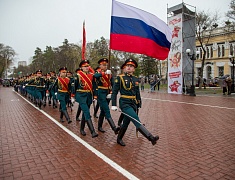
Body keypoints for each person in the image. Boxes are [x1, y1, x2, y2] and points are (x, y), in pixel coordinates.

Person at [111, 58, 159, 146]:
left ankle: (119, 139)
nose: (129, 67)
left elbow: (137, 92)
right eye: (127, 66)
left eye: (131, 66)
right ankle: (151, 138)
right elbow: (114, 92)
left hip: (133, 103)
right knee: (135, 119)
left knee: (126, 122)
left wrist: (139, 102)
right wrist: (114, 104)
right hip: (125, 103)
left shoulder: (135, 79)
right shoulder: (120, 78)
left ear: (134, 69)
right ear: (125, 68)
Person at [93, 58, 120, 134]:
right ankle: (114, 128)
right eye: (103, 65)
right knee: (106, 110)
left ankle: (99, 126)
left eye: (106, 65)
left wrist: (111, 92)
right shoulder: (98, 72)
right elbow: (95, 76)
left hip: (107, 93)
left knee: (103, 111)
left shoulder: (109, 74)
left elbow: (112, 84)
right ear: (100, 65)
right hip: (100, 93)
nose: (105, 66)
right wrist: (104, 73)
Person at [73, 60, 98, 138]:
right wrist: (72, 96)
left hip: (88, 96)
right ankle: (92, 131)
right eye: (85, 66)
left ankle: (82, 129)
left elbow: (94, 86)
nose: (87, 67)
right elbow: (74, 86)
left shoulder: (91, 75)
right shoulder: (78, 75)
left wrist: (95, 96)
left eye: (88, 66)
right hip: (81, 96)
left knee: (85, 113)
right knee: (87, 112)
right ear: (81, 67)